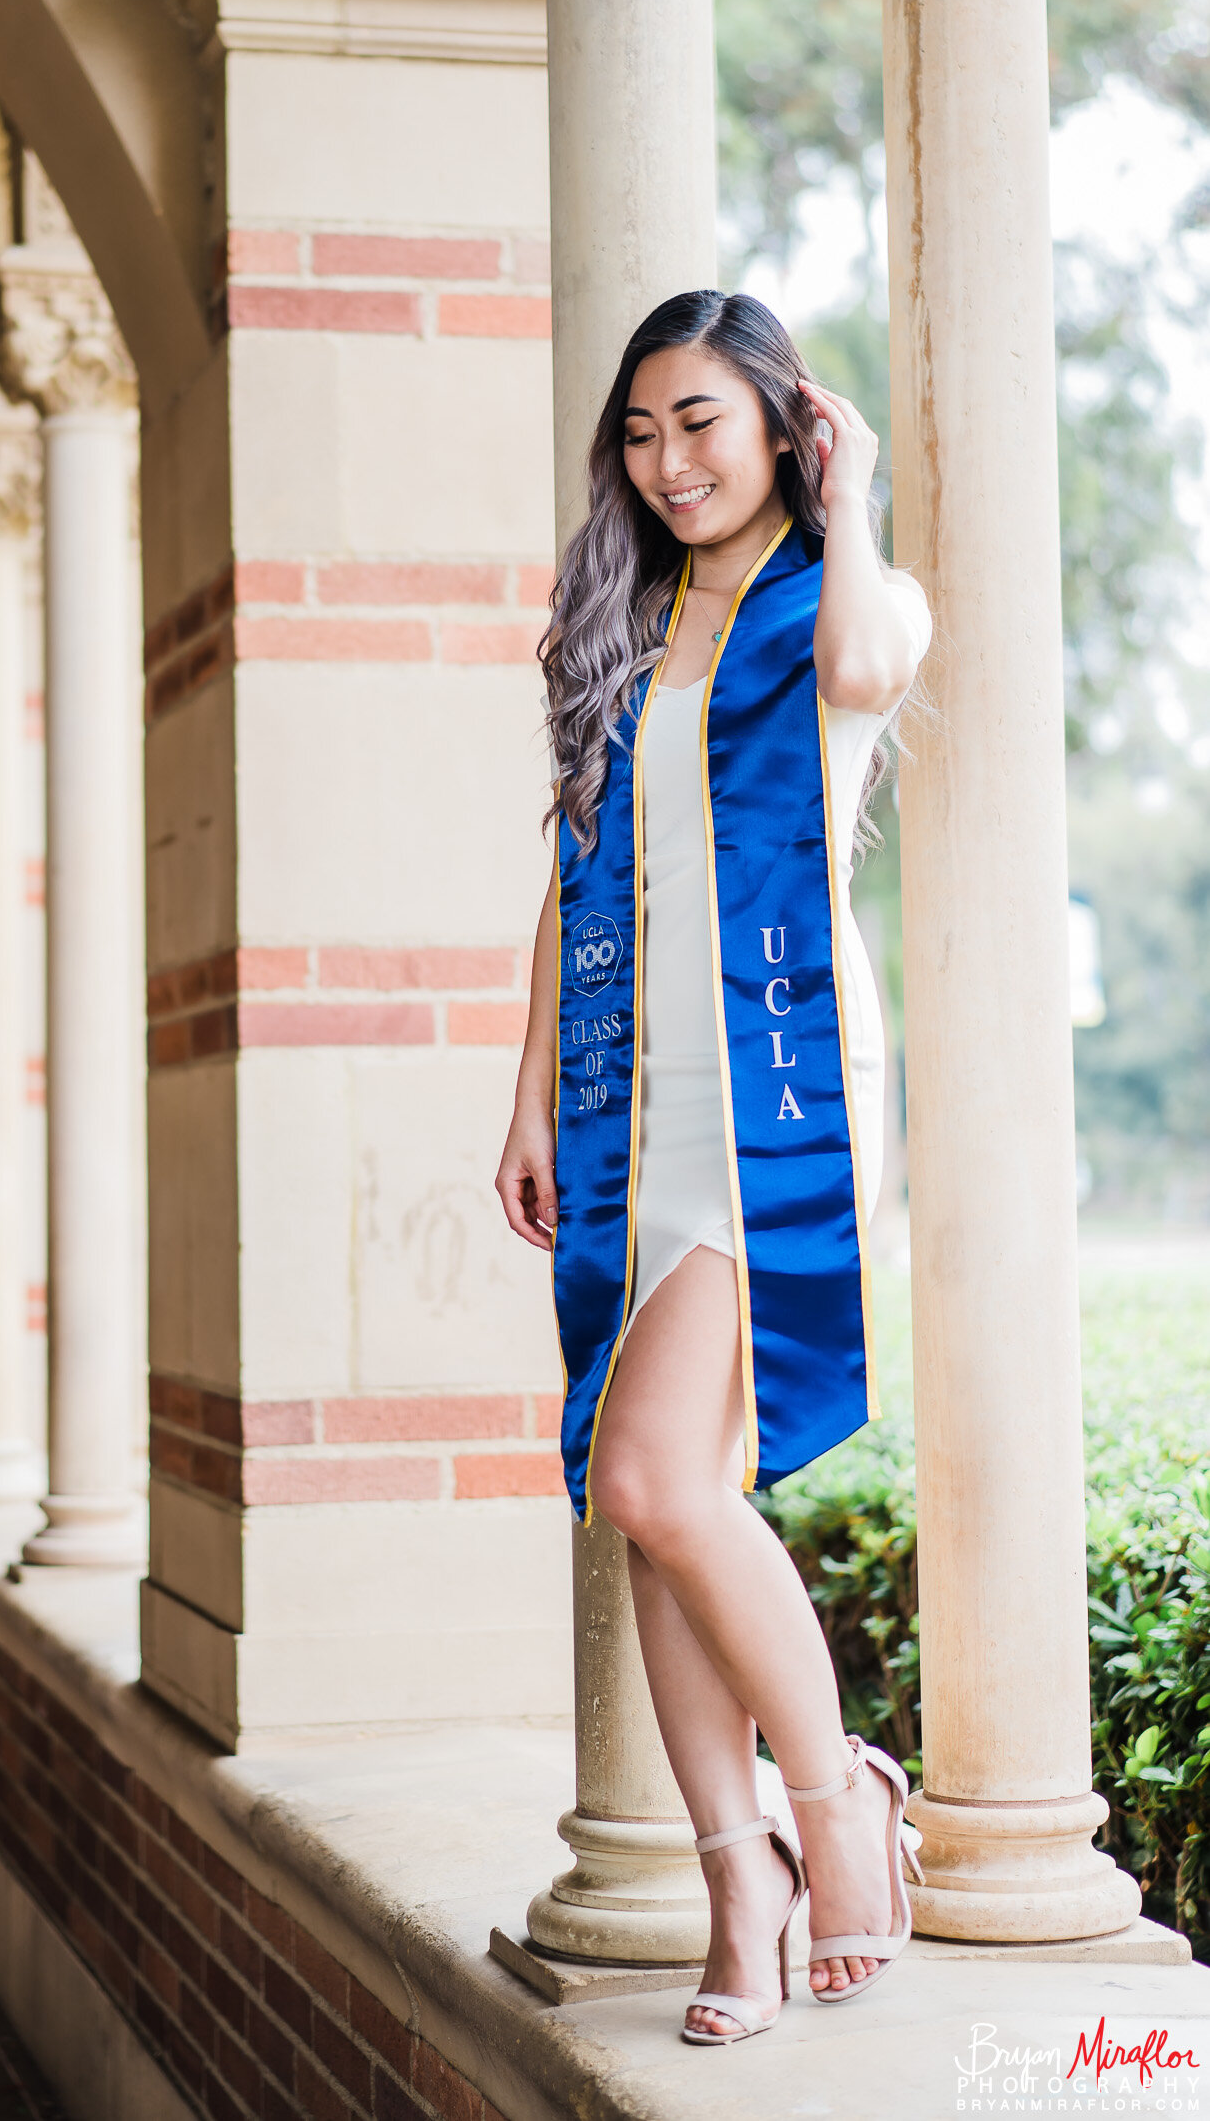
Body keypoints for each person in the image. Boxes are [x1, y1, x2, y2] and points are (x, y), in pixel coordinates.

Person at [496, 290, 932, 2046]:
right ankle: (733, 1876)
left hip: (776, 1094)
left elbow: (860, 678)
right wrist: (527, 1091)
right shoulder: (630, 614)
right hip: (621, 1096)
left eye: (704, 423)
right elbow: (574, 866)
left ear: (777, 426)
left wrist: (864, 487)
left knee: (661, 1484)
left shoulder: (841, 596)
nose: (670, 462)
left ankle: (838, 1815)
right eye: (642, 431)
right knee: (645, 1506)